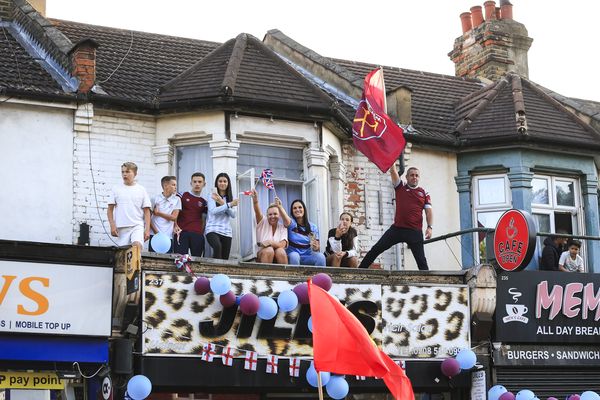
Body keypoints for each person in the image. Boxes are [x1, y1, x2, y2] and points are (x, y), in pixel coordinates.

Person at [359, 160, 433, 270]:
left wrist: (429, 227)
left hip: (415, 231)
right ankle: (360, 270)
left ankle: (428, 283)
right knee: (376, 249)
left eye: (417, 175)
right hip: (397, 229)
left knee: (421, 261)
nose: (414, 177)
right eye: (412, 175)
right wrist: (391, 157)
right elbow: (393, 170)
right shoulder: (400, 186)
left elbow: (429, 212)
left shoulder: (424, 192)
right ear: (407, 177)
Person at [107, 162, 151, 250]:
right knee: (123, 255)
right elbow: (110, 210)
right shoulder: (116, 188)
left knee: (137, 247)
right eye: (122, 172)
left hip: (137, 225)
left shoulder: (141, 190)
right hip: (122, 227)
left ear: (135, 173)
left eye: (127, 172)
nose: (124, 174)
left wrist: (147, 229)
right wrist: (112, 225)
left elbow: (147, 211)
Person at [280, 199, 326, 266]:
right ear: (292, 212)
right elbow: (285, 218)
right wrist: (280, 207)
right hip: (292, 255)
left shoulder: (313, 227)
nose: (297, 210)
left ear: (304, 209)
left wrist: (316, 247)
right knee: (295, 256)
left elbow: (316, 248)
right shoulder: (291, 224)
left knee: (320, 257)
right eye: (294, 208)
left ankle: (319, 276)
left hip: (308, 256)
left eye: (300, 207)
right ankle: (294, 276)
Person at [205, 172, 238, 259]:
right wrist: (228, 205)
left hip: (227, 232)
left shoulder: (230, 198)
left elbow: (233, 214)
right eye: (220, 181)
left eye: (225, 181)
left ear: (228, 183)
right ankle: (214, 271)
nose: (222, 183)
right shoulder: (212, 196)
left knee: (224, 258)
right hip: (212, 229)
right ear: (217, 183)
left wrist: (223, 203)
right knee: (217, 247)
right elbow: (213, 211)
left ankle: (220, 273)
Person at [174, 172, 208, 257]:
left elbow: (204, 219)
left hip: (197, 234)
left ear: (204, 184)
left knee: (197, 262)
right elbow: (173, 212)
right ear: (191, 183)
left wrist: (201, 232)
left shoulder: (204, 202)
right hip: (181, 233)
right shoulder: (181, 195)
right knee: (180, 260)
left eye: (200, 182)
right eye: (195, 181)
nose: (197, 184)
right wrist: (175, 225)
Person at [251, 189, 288, 264]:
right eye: (270, 214)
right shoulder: (263, 221)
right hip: (262, 254)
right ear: (266, 215)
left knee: (281, 251)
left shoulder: (282, 226)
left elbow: (283, 245)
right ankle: (264, 275)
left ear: (279, 215)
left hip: (277, 256)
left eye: (275, 214)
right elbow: (257, 212)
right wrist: (255, 202)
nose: (272, 216)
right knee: (269, 250)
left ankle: (284, 275)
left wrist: (270, 242)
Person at [149, 176, 181, 253]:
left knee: (166, 261)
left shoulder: (177, 199)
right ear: (165, 185)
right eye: (173, 185)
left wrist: (158, 213)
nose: (175, 187)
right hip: (154, 235)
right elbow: (148, 219)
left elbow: (174, 217)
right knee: (152, 261)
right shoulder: (154, 198)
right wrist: (157, 233)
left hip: (168, 236)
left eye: (175, 185)